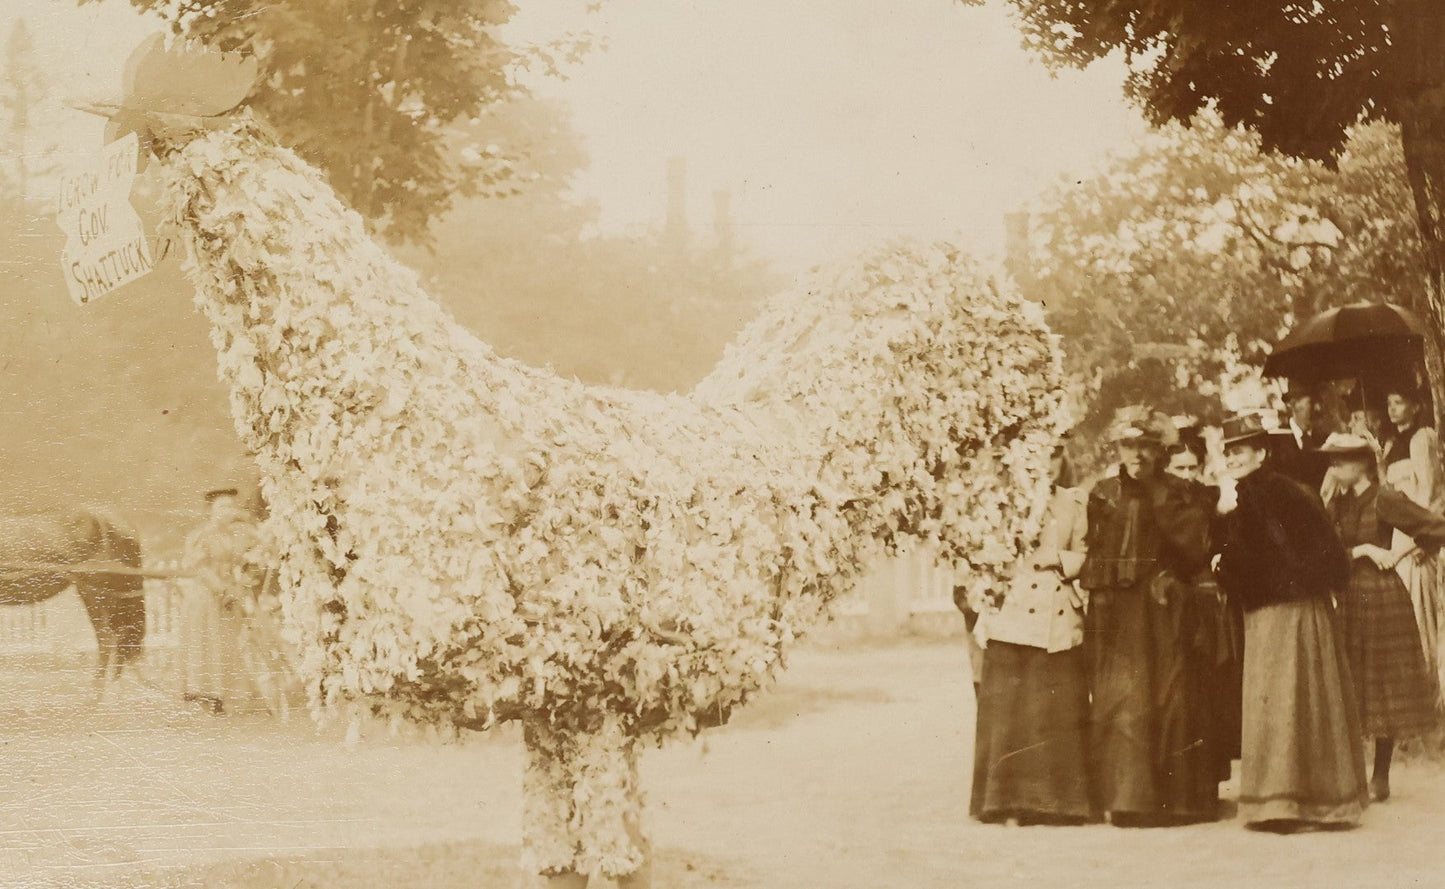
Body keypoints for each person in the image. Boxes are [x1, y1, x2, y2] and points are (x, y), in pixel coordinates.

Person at [1213, 413, 1367, 832]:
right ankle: (1287, 802)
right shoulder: (1250, 495)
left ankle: (1296, 802)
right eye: (1229, 451)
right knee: (1284, 701)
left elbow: (1319, 550)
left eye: (1241, 450)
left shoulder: (1275, 492)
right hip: (1272, 610)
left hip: (1289, 610)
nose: (1233, 457)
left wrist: (1225, 566)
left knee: (1291, 699)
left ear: (1261, 452)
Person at [1079, 408, 1220, 826]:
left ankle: (1177, 802)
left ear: (1159, 451)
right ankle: (1126, 800)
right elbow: (1096, 550)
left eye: (1144, 446)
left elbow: (1194, 548)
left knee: (1170, 696)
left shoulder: (1177, 491)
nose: (1136, 454)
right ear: (1117, 449)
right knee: (1122, 699)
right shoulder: (1103, 493)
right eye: (1128, 445)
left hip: (1162, 608)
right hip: (1117, 612)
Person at [970, 443, 1094, 825]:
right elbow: (984, 555)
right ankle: (1005, 800)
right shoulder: (1004, 500)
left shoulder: (1074, 503)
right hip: (1014, 611)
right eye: (1040, 456)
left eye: (1056, 455)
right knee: (1013, 711)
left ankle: (1058, 803)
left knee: (1053, 709)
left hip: (1056, 611)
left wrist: (1060, 560)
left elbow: (1087, 552)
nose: (1049, 464)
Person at [1321, 432, 1439, 802]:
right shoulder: (1336, 505)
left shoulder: (1385, 498)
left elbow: (1436, 527)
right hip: (1349, 597)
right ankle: (1350, 775)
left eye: (1340, 460)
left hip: (1383, 597)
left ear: (1362, 464)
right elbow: (1326, 548)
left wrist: (1402, 555)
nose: (1333, 467)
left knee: (1383, 682)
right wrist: (1365, 550)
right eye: (1332, 460)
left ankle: (1380, 777)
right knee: (1353, 680)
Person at [1163, 421, 1243, 781]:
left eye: (1192, 468)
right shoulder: (1162, 501)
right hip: (1173, 601)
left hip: (1206, 601)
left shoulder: (1204, 495)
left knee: (1210, 687)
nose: (1187, 475)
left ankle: (1208, 776)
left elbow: (1229, 509)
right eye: (1179, 468)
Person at [1380, 382, 1445, 706]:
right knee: (1403, 617)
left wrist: (1425, 539)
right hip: (1398, 539)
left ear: (1415, 406)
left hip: (1420, 539)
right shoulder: (1392, 443)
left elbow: (1431, 493)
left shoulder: (1423, 439)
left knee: (1423, 614)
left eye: (1399, 401)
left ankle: (1432, 694)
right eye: (1390, 402)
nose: (1393, 408)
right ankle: (1412, 696)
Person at [180, 487, 256, 714]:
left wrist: (238, 584)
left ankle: (219, 694)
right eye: (222, 507)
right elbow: (200, 567)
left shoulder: (232, 536)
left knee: (224, 643)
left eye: (232, 507)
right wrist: (221, 589)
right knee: (206, 641)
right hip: (204, 594)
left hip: (226, 593)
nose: (228, 511)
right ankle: (202, 694)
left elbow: (240, 561)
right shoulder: (202, 535)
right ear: (210, 510)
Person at [1267, 382, 1330, 492]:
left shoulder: (1326, 440)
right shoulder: (1275, 440)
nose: (1318, 408)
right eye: (1312, 402)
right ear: (1294, 404)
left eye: (1320, 402)